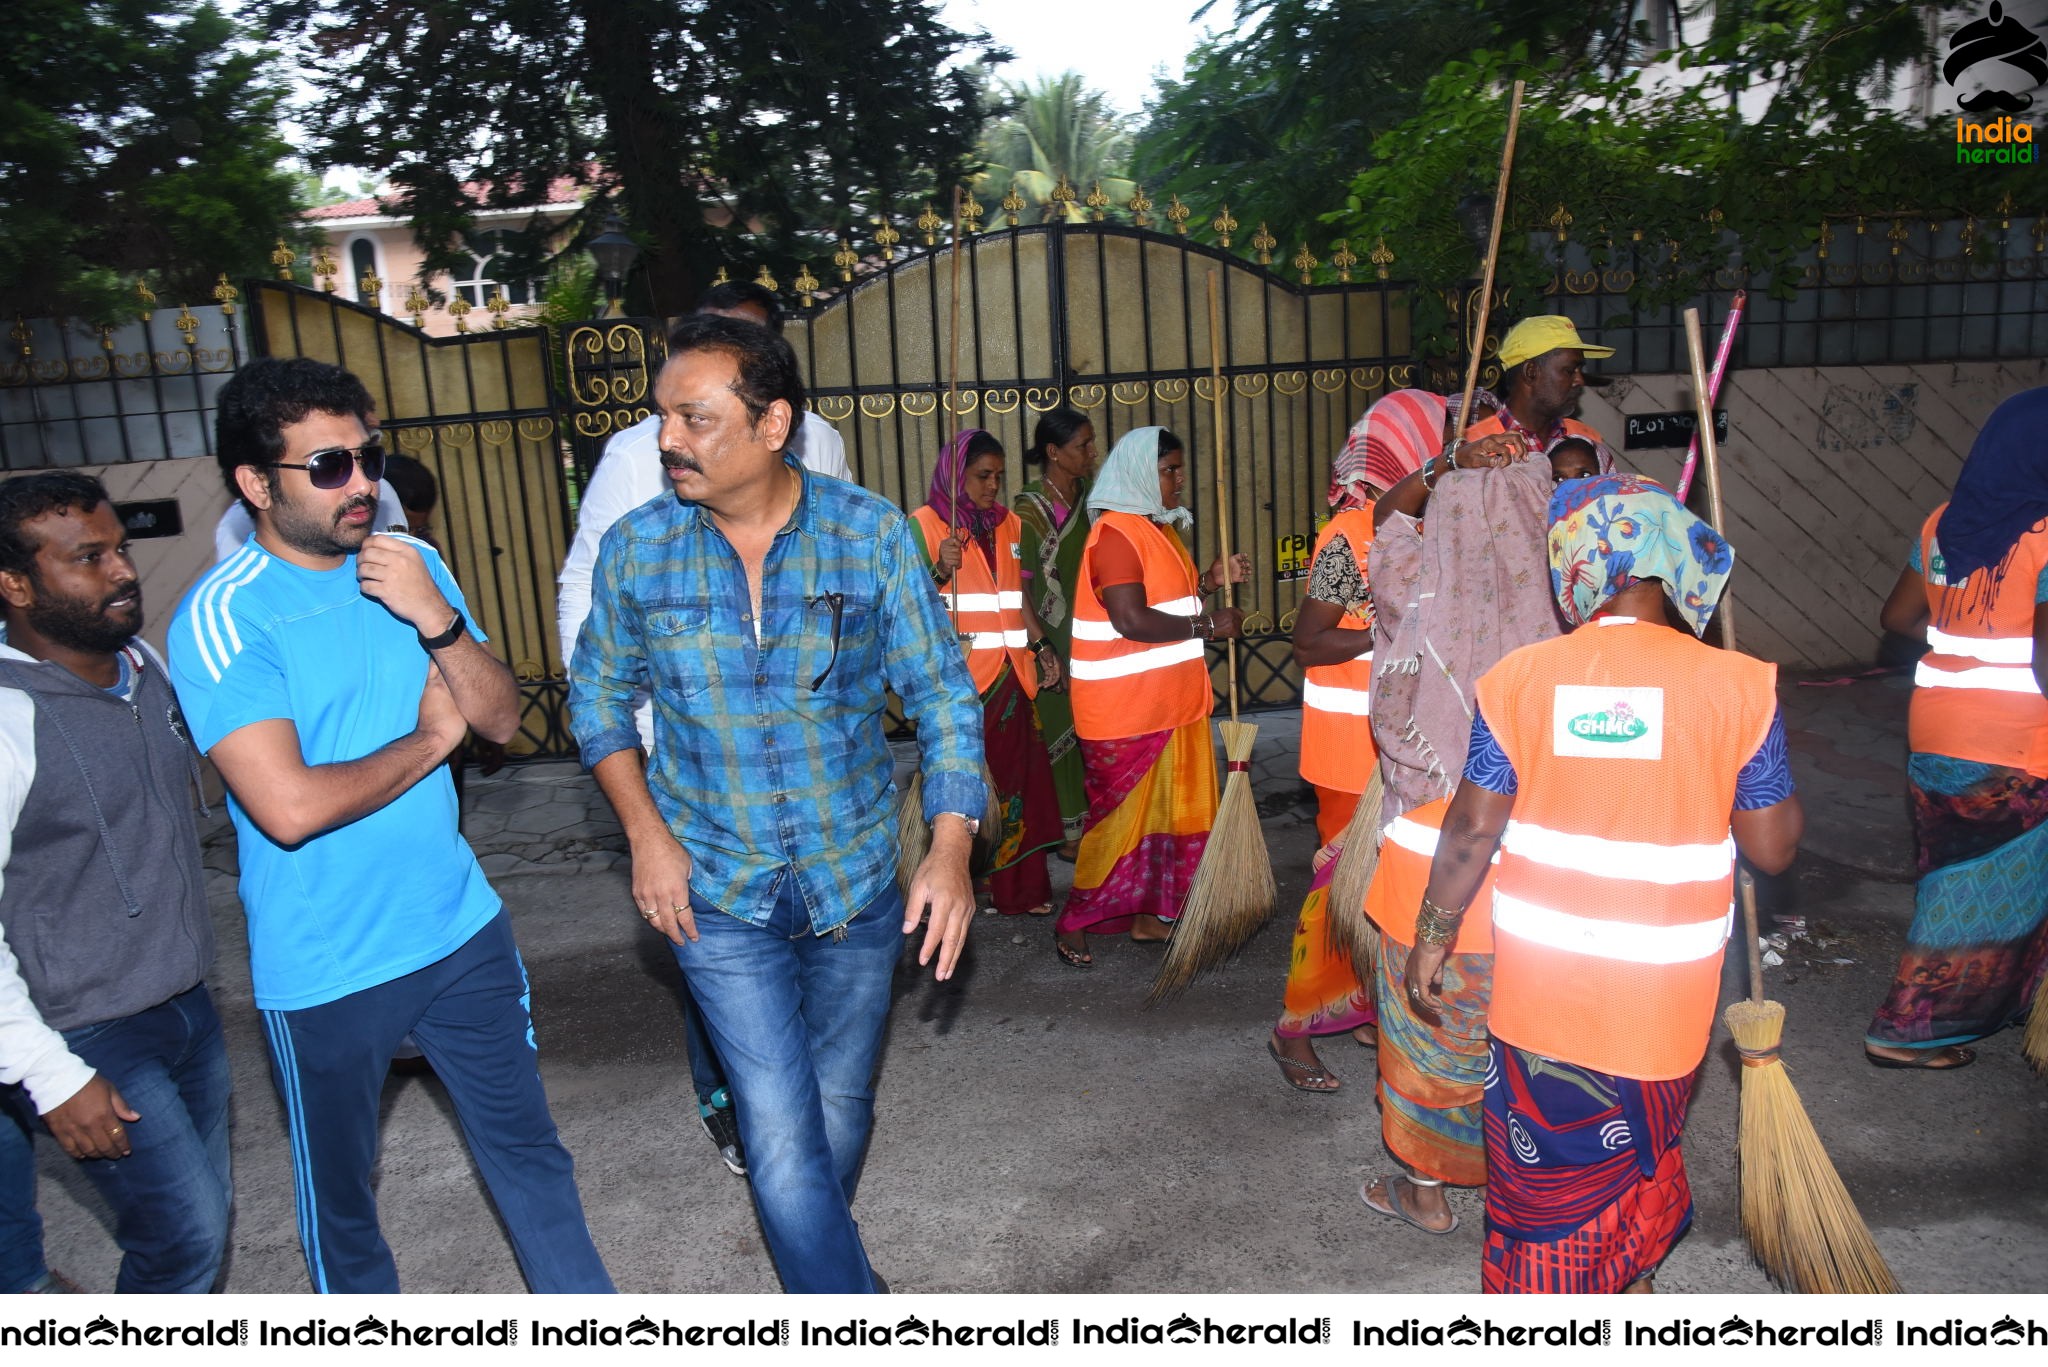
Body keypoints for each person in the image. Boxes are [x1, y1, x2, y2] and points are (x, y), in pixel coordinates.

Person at [167, 357, 611, 1294]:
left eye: (368, 457)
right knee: (346, 1216)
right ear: (256, 483)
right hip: (329, 968)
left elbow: (493, 719)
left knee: (534, 1161)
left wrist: (439, 622)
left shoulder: (414, 566)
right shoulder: (224, 615)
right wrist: (424, 740)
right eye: (329, 465)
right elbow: (288, 808)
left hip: (459, 929)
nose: (363, 482)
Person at [567, 314, 983, 1294]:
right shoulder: (638, 551)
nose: (667, 439)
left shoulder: (868, 532)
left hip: (853, 880)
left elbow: (941, 693)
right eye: (662, 415)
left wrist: (950, 844)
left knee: (840, 1109)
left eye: (694, 417)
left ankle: (812, 1265)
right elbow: (594, 702)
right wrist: (644, 836)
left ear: (772, 423)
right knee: (781, 1132)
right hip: (713, 886)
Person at [1409, 472, 1801, 1293]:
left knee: (1543, 1179)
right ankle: (1626, 1271)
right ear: (1673, 564)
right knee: (1638, 1148)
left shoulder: (1518, 679)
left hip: (1540, 1005)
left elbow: (1472, 828)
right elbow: (1772, 848)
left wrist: (1431, 940)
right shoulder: (1740, 685)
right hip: (1662, 1010)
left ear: (1574, 567)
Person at [1357, 390, 1615, 1232]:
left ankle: (1427, 1188)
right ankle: (1529, 1173)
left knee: (1431, 1021)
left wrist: (1446, 475)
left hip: (1429, 859)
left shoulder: (1415, 577)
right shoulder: (1575, 618)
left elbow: (1385, 525)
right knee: (1526, 1027)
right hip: (1533, 870)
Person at [0, 472, 230, 1294]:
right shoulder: (8, 716)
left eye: (120, 550)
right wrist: (53, 1075)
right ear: (16, 584)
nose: (122, 571)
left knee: (200, 1227)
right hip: (84, 1029)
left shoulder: (143, 665)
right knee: (185, 1238)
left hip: (186, 1006)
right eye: (88, 558)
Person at [1865, 387, 2048, 1070]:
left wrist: (1964, 644)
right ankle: (1907, 1027)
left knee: (1956, 874)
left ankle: (2012, 1002)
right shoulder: (2046, 532)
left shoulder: (1942, 524)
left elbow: (1897, 618)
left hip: (1935, 728)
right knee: (1972, 894)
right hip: (2018, 742)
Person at [1051, 427, 1248, 968]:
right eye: (1169, 470)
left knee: (1171, 820)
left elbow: (1166, 602)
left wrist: (1207, 582)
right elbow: (1130, 618)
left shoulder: (1159, 531)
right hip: (1125, 711)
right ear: (1141, 474)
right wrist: (1209, 625)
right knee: (1116, 824)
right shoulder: (1115, 534)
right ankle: (1076, 920)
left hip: (1171, 704)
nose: (1179, 480)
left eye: (1180, 469)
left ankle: (1150, 917)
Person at [912, 428, 1065, 917]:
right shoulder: (923, 525)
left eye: (998, 477)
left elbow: (1014, 600)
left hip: (1013, 676)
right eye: (982, 476)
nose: (991, 487)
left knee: (1023, 785)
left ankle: (1021, 891)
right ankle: (966, 880)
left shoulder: (1009, 526)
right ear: (957, 475)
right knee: (971, 788)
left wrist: (1041, 646)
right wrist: (939, 569)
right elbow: (905, 607)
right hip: (963, 681)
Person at [1013, 408, 1099, 857]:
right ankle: (1067, 832)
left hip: (1089, 630)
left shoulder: (1091, 497)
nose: (1091, 452)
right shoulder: (1028, 511)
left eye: (1091, 442)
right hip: (1048, 634)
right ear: (1053, 452)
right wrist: (1042, 645)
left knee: (1090, 726)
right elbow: (1018, 588)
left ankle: (1087, 818)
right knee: (1059, 730)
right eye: (1082, 445)